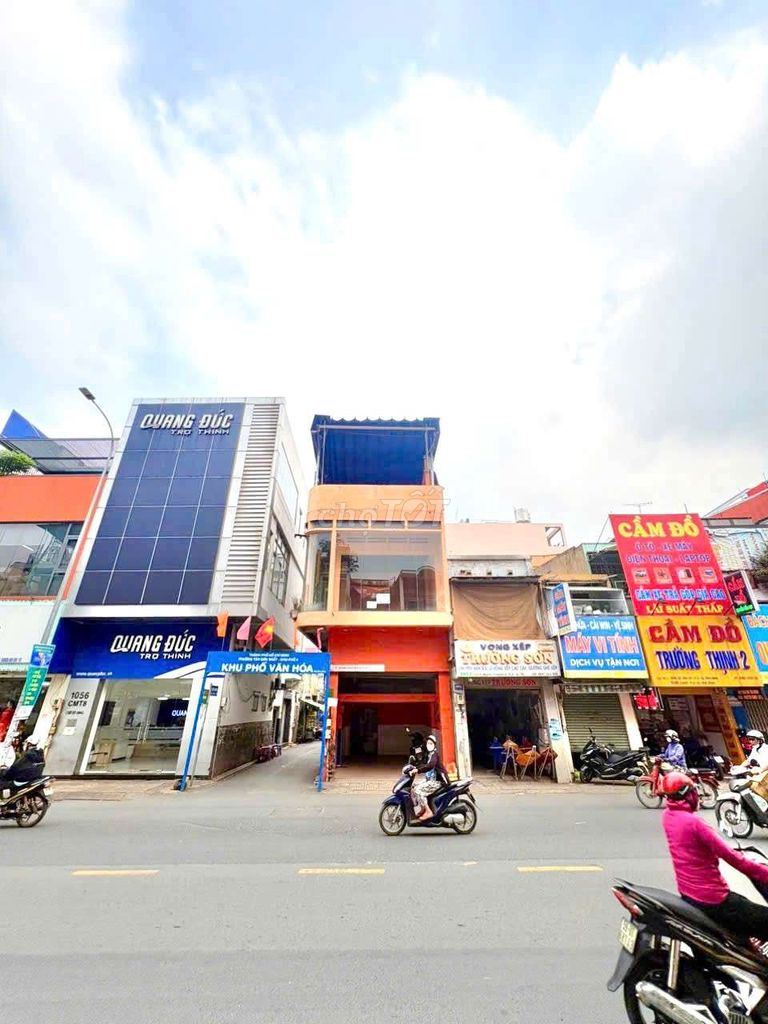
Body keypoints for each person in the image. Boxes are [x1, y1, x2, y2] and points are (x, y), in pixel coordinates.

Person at [661, 771, 768, 940]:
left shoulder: (667, 816)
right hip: (713, 899)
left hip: (688, 894)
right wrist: (764, 873)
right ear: (689, 795)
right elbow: (733, 859)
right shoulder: (694, 823)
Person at [410, 734, 445, 821]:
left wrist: (418, 770)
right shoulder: (429, 754)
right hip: (430, 780)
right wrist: (414, 767)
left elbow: (430, 766)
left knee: (419, 790)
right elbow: (423, 764)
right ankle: (423, 808)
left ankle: (428, 812)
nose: (429, 745)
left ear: (434, 745)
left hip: (438, 781)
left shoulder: (435, 755)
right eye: (428, 743)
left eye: (431, 743)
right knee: (414, 787)